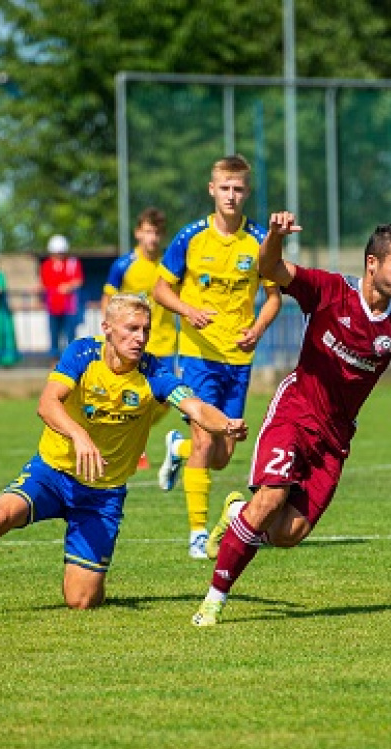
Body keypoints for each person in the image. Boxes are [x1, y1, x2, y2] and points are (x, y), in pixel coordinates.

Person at [0, 293, 248, 622]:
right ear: (107, 328)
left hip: (102, 495)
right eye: (131, 328)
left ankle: (90, 568)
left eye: (145, 330)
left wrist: (227, 424)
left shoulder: (153, 371)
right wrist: (79, 435)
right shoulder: (82, 353)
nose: (140, 337)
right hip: (52, 474)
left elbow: (196, 407)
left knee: (82, 600)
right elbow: (47, 403)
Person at [190, 211, 391, 626]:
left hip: (334, 440)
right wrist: (275, 236)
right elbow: (269, 267)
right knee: (271, 499)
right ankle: (213, 601)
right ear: (372, 264)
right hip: (294, 413)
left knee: (286, 534)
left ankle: (237, 512)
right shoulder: (329, 290)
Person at [152, 155, 282, 560]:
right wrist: (188, 312)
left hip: (237, 360)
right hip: (197, 355)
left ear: (246, 192)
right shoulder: (191, 237)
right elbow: (160, 289)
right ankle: (196, 532)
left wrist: (257, 330)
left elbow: (274, 297)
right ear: (212, 189)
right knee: (206, 439)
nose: (231, 195)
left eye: (238, 188)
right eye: (224, 187)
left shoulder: (259, 241)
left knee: (223, 456)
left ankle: (177, 450)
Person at [101, 208, 175, 469]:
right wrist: (109, 332)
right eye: (146, 231)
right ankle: (135, 447)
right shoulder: (124, 264)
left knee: (165, 401)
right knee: (135, 395)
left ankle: (132, 436)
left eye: (156, 232)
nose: (151, 238)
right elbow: (108, 298)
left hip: (166, 342)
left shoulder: (168, 265)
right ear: (137, 233)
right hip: (133, 343)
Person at [39, 234, 84, 360]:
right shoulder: (46, 265)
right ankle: (54, 360)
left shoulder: (72, 263)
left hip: (69, 306)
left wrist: (69, 286)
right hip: (52, 306)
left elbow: (78, 280)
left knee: (70, 334)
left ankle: (71, 360)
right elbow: (43, 284)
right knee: (54, 334)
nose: (58, 255)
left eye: (61, 252)